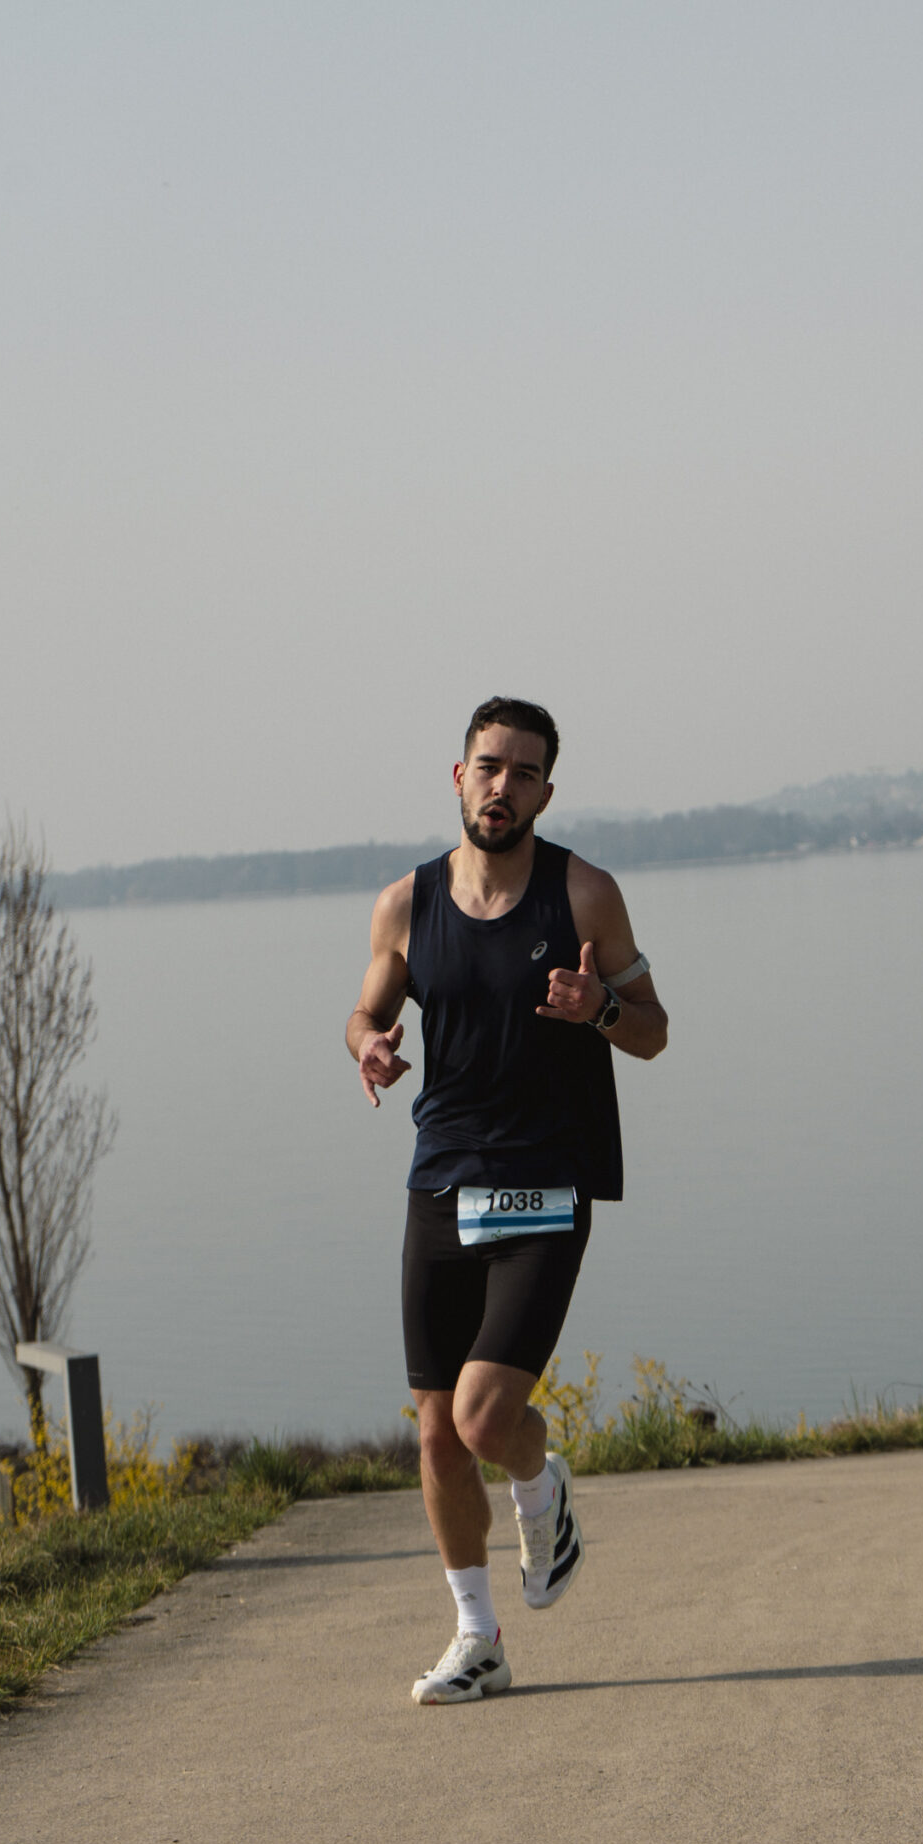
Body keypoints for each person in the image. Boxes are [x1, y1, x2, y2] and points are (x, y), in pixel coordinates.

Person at [346, 696, 668, 1704]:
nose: (503, 787)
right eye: (489, 767)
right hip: (440, 1180)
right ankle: (477, 1637)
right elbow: (366, 1010)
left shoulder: (584, 894)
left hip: (546, 1180)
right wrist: (368, 1045)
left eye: (524, 773)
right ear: (459, 776)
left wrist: (599, 1006)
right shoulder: (406, 903)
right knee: (436, 1432)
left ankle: (540, 1479)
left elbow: (653, 1029)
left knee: (486, 1418)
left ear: (545, 792)